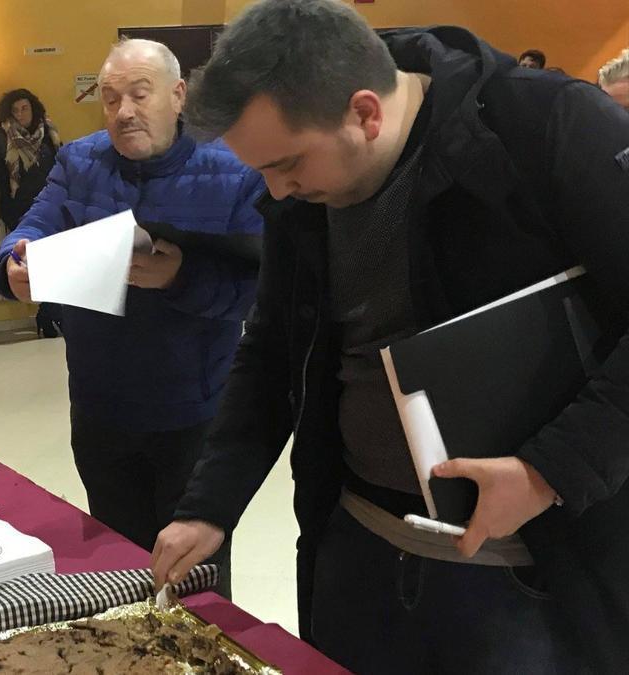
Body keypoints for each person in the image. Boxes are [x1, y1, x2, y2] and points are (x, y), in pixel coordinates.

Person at [152, 1, 629, 672]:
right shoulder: (303, 197)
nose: (277, 192)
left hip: (527, 572)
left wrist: (549, 471)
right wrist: (209, 504)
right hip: (359, 550)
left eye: (287, 164)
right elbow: (271, 351)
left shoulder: (545, 126)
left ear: (365, 112)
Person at [0, 39, 265, 589]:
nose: (124, 112)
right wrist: (11, 264)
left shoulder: (235, 171)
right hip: (100, 407)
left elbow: (261, 293)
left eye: (140, 95)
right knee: (118, 569)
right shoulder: (80, 160)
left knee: (195, 579)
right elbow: (36, 222)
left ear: (178, 94)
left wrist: (181, 277)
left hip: (193, 411)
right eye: (111, 99)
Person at [0, 88, 64, 338]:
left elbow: (64, 170)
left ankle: (50, 316)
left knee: (54, 263)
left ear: (34, 109)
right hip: (20, 212)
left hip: (53, 208)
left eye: (25, 108)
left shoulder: (49, 134)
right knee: (37, 264)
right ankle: (49, 315)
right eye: (15, 110)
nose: (20, 114)